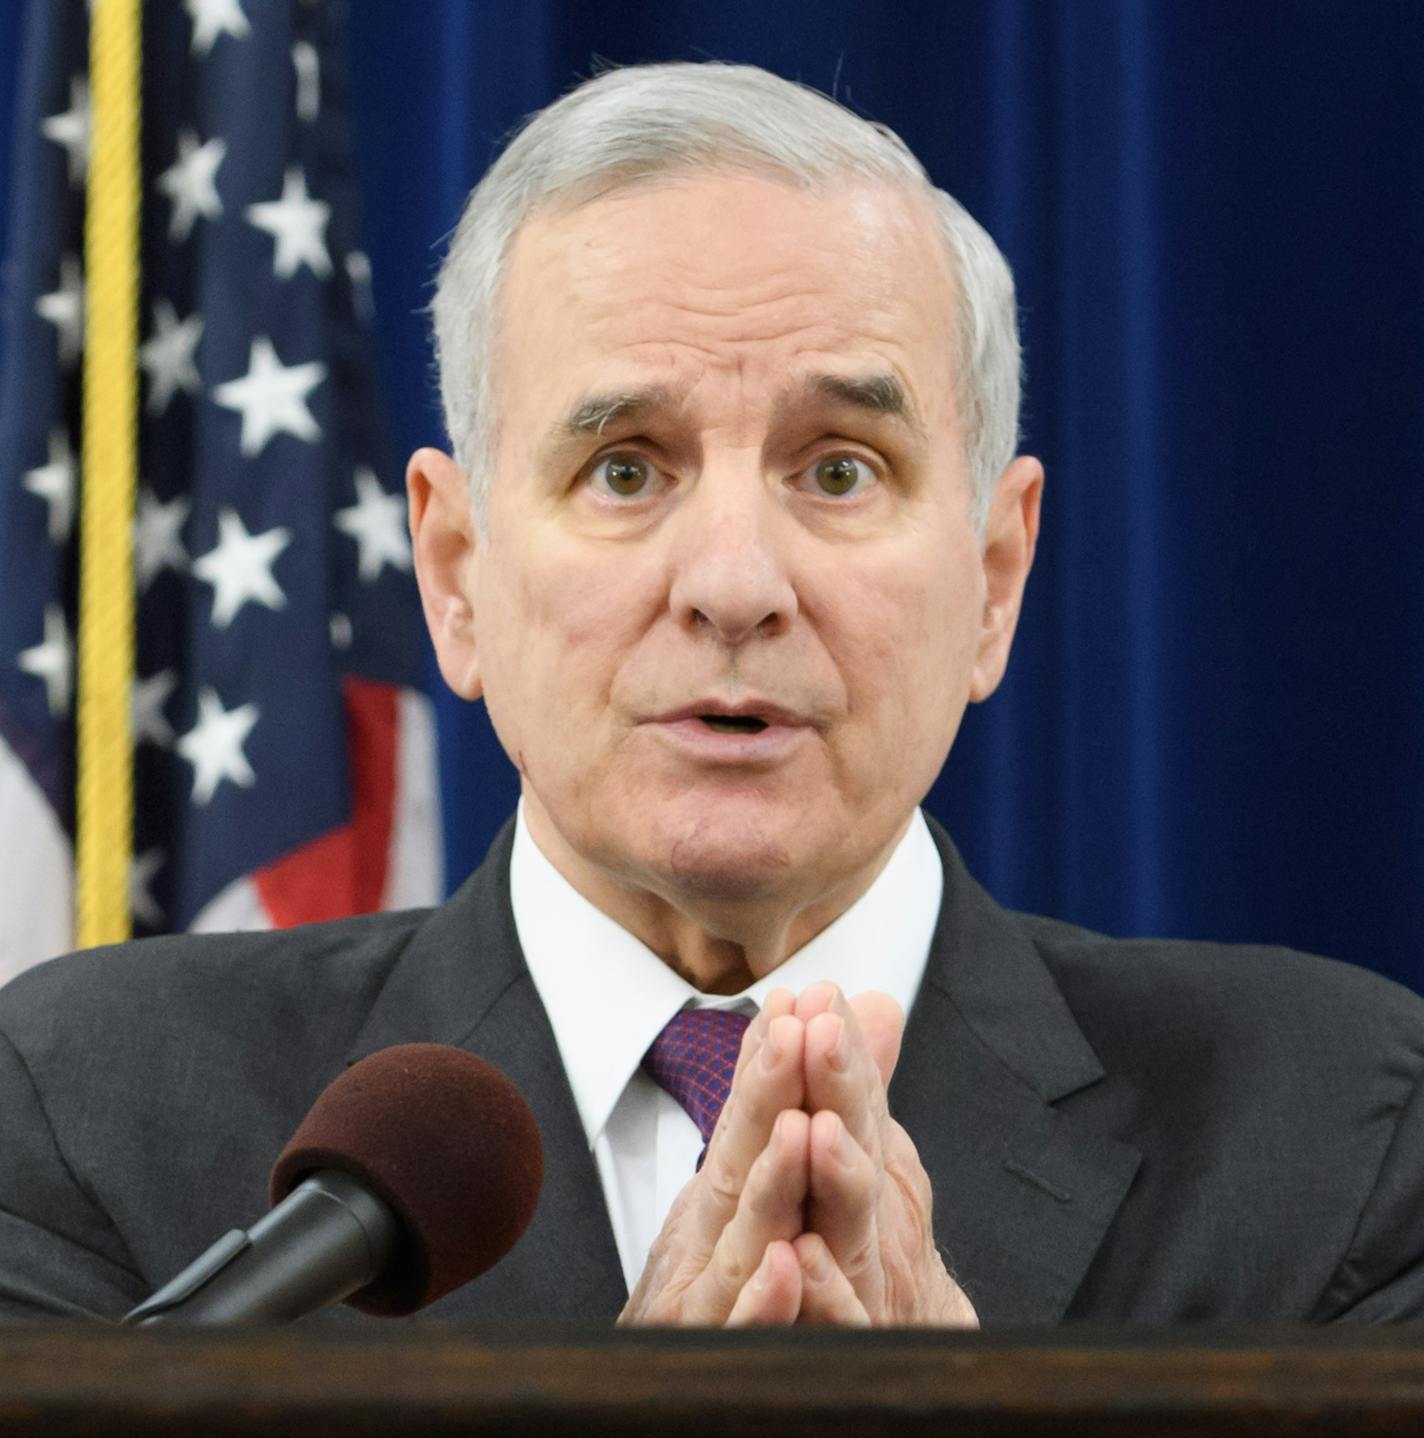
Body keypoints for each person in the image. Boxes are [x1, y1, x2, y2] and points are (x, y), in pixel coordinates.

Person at [3, 62, 1423, 1327]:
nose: (735, 580)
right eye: (625, 467)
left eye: (840, 468)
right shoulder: (90, 1108)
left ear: (994, 579)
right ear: (453, 574)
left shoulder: (1344, 1134)